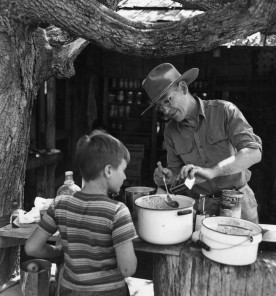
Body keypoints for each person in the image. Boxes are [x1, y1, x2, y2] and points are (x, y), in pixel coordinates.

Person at [141, 63, 262, 223]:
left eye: (167, 101)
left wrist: (213, 171)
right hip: (202, 208)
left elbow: (254, 152)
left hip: (239, 203)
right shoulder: (170, 131)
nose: (165, 111)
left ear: (183, 87)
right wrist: (170, 178)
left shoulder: (225, 111)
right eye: (159, 107)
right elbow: (181, 179)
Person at [25, 132, 137, 296]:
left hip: (69, 291)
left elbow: (32, 247)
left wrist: (59, 252)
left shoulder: (59, 204)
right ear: (108, 170)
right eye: (123, 170)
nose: (125, 176)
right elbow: (127, 268)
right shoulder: (118, 211)